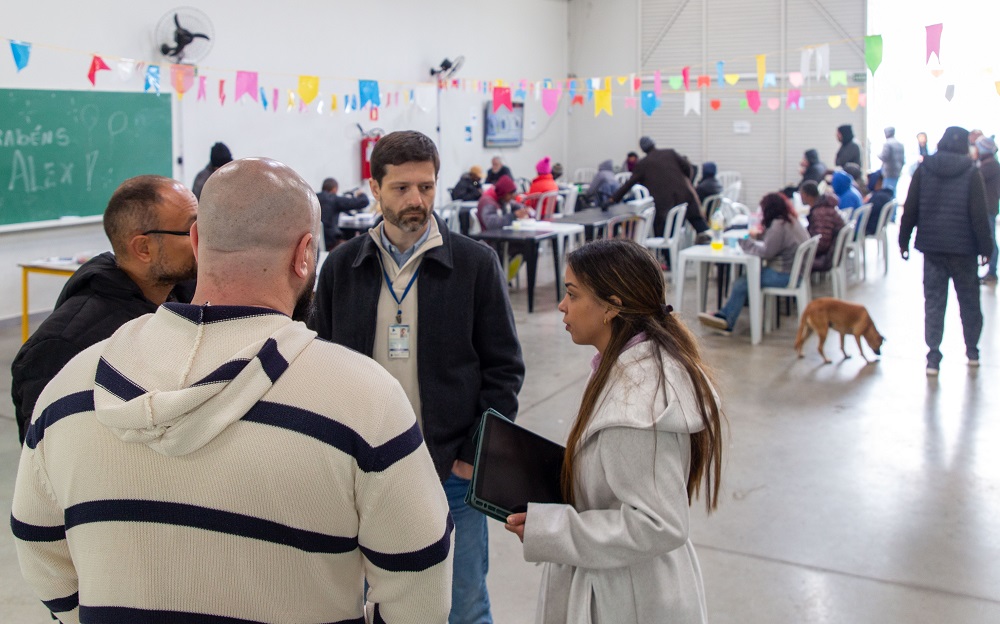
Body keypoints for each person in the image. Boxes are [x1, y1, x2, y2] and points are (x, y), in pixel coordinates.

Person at [12, 158, 453, 623]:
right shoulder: (364, 400)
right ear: (305, 254)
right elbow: (420, 585)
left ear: (198, 242)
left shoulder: (70, 387)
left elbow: (40, 554)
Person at [312, 130, 525, 623]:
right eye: (402, 188)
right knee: (371, 603)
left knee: (464, 604)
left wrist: (474, 453)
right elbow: (319, 360)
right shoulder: (344, 267)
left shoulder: (474, 264)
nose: (416, 200)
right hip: (362, 473)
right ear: (374, 187)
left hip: (448, 468)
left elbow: (504, 369)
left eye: (426, 187)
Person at [504, 238, 723, 624]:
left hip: (627, 598)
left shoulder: (636, 404)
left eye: (572, 294)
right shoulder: (626, 366)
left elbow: (658, 524)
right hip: (623, 583)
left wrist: (551, 528)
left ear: (612, 306)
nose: (561, 304)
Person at [10, 175, 197, 445]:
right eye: (189, 230)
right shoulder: (65, 343)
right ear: (143, 248)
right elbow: (46, 451)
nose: (200, 240)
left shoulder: (183, 297)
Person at [899, 126, 994, 375]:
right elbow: (979, 214)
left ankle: (933, 357)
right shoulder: (971, 173)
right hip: (964, 250)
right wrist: (987, 247)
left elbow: (910, 207)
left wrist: (903, 240)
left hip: (933, 248)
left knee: (934, 302)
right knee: (969, 301)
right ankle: (972, 351)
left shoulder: (924, 169)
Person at [699, 193, 809, 334]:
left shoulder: (778, 225)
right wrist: (758, 236)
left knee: (742, 282)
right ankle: (726, 314)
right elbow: (775, 241)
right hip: (795, 272)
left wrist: (744, 242)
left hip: (784, 275)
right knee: (745, 280)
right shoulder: (791, 220)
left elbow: (766, 252)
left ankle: (726, 320)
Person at [610, 136, 705, 241]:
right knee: (699, 224)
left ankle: (667, 256)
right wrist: (687, 182)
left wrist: (613, 199)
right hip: (685, 195)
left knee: (666, 234)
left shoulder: (643, 164)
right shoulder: (670, 153)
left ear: (642, 149)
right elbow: (688, 168)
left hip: (665, 204)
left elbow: (629, 184)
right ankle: (711, 248)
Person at [317, 177, 370, 250]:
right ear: (334, 189)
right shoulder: (335, 199)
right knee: (355, 247)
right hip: (331, 242)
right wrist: (361, 194)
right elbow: (363, 202)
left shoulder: (314, 198)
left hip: (317, 242)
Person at [800, 181, 843, 272]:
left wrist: (804, 250)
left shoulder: (820, 213)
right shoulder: (825, 208)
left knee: (791, 259)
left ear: (806, 195)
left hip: (826, 258)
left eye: (801, 194)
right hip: (832, 253)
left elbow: (822, 242)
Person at [976, 136, 1000, 284]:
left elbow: (975, 176)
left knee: (990, 239)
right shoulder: (990, 164)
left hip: (988, 207)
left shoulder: (989, 165)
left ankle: (992, 271)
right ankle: (991, 271)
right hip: (989, 206)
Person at [864, 170, 895, 236]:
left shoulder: (879, 197)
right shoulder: (886, 194)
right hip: (877, 226)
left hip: (871, 228)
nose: (867, 183)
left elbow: (867, 212)